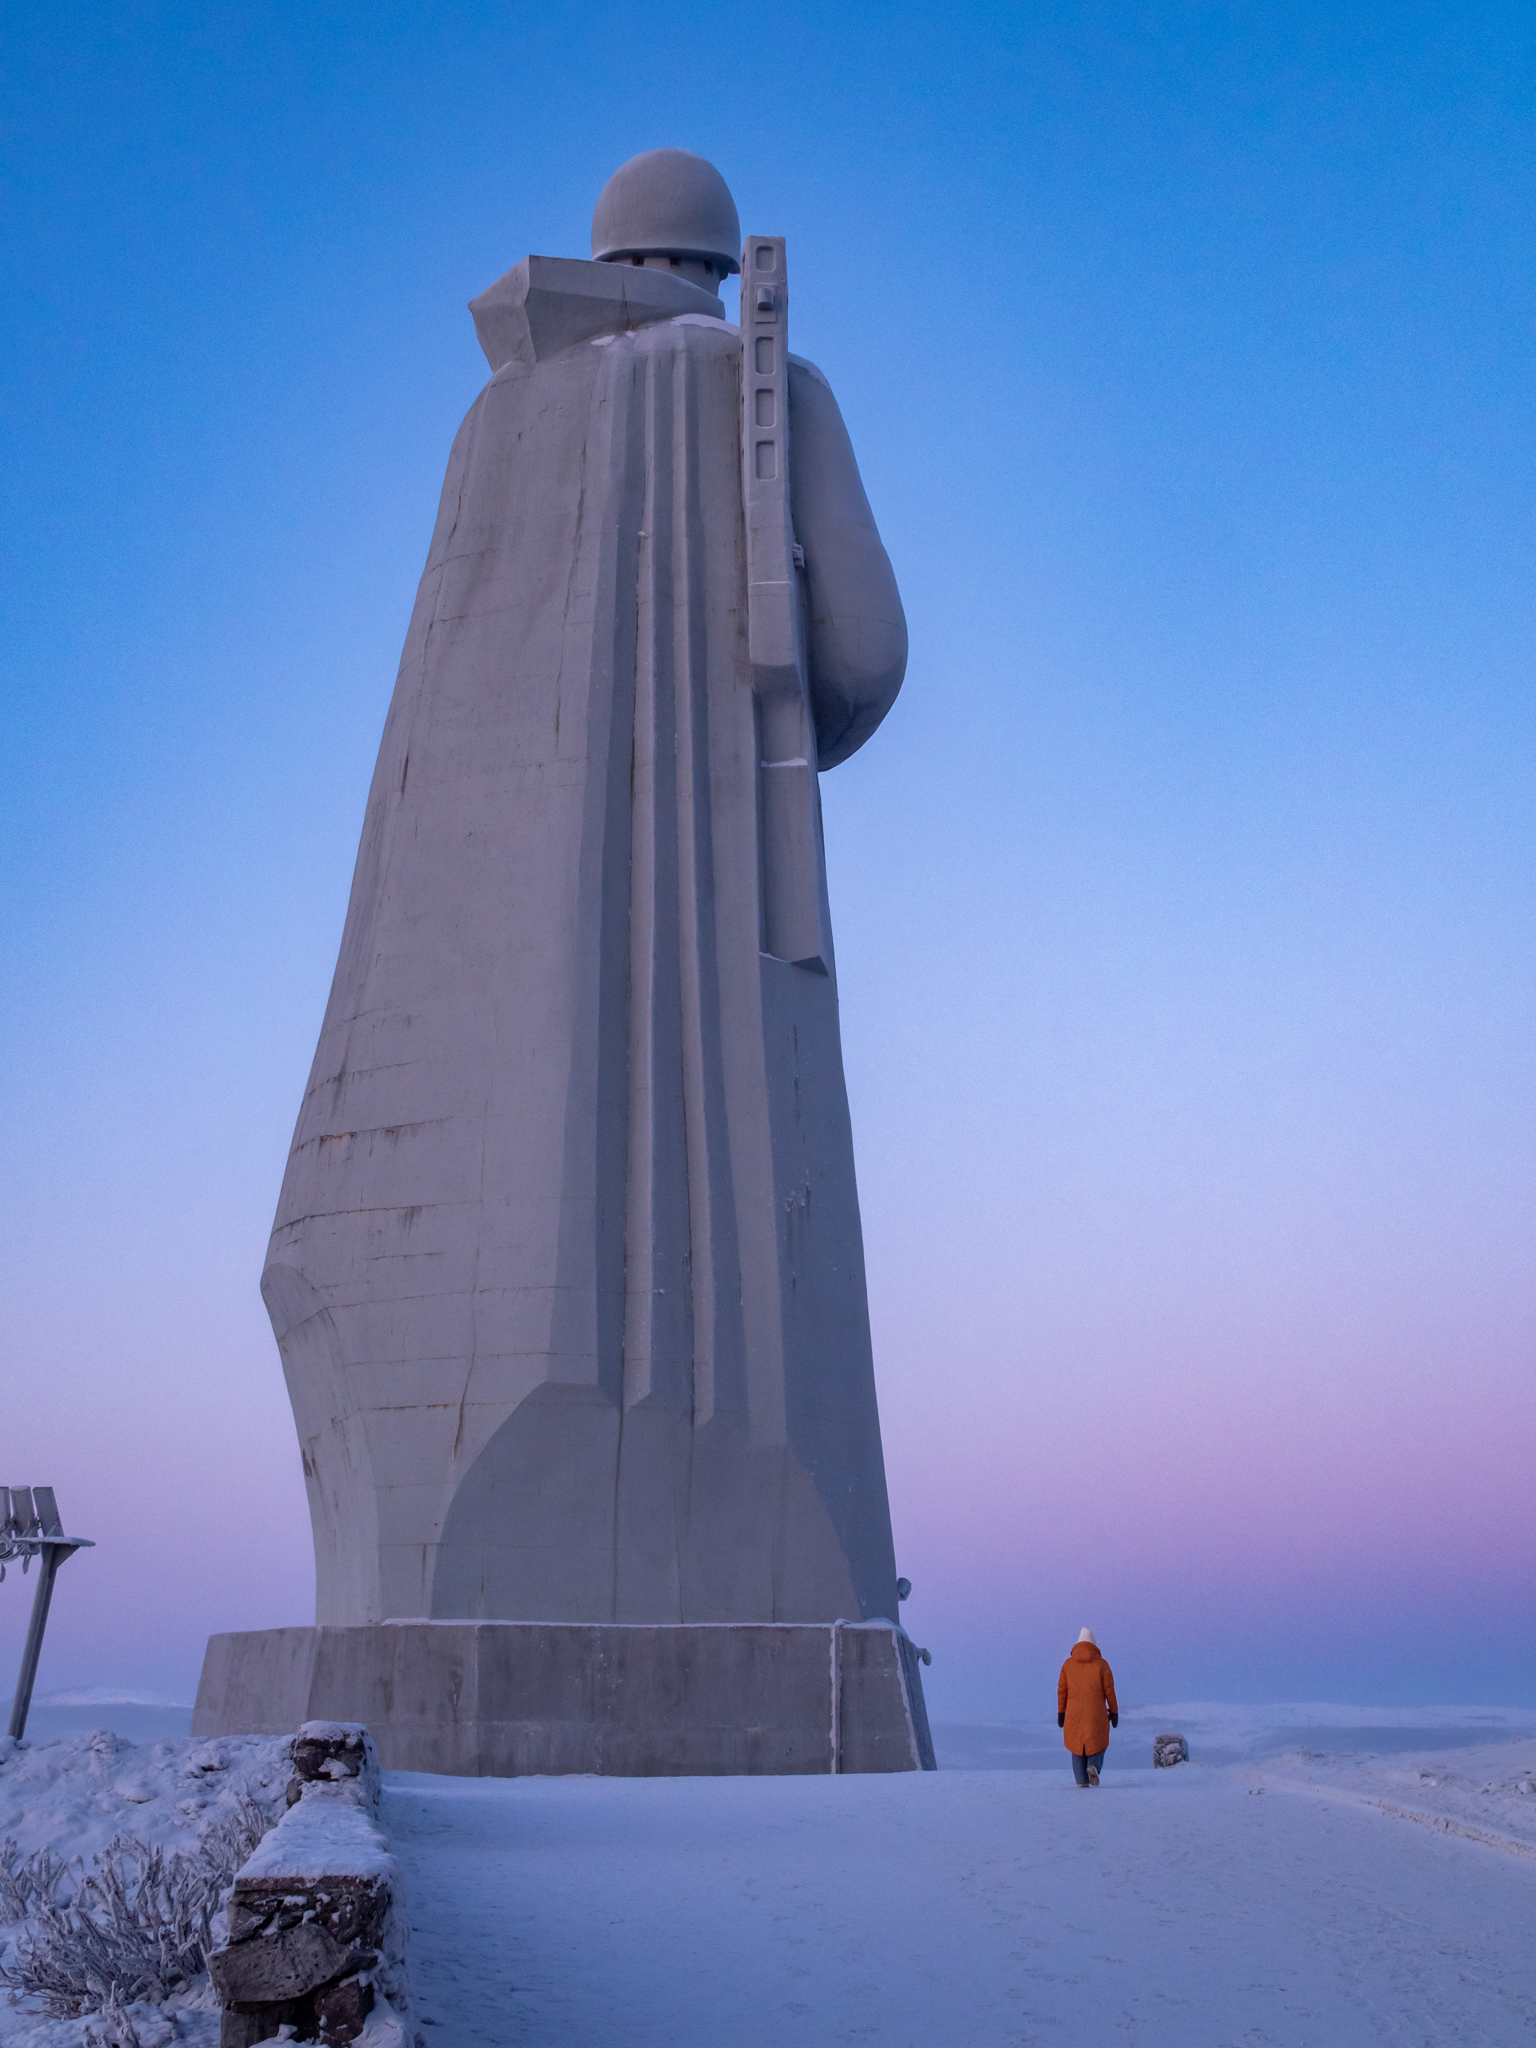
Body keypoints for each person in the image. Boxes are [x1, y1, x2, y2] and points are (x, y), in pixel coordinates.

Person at [1058, 1627, 1118, 1786]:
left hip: (1073, 1713)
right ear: (1094, 1646)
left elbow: (1062, 1691)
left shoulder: (1067, 1665)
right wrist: (1114, 1711)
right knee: (1099, 1743)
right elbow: (1109, 1690)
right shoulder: (1102, 1664)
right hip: (1096, 1712)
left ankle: (1081, 1782)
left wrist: (1061, 1712)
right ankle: (1094, 1766)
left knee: (1076, 1746)